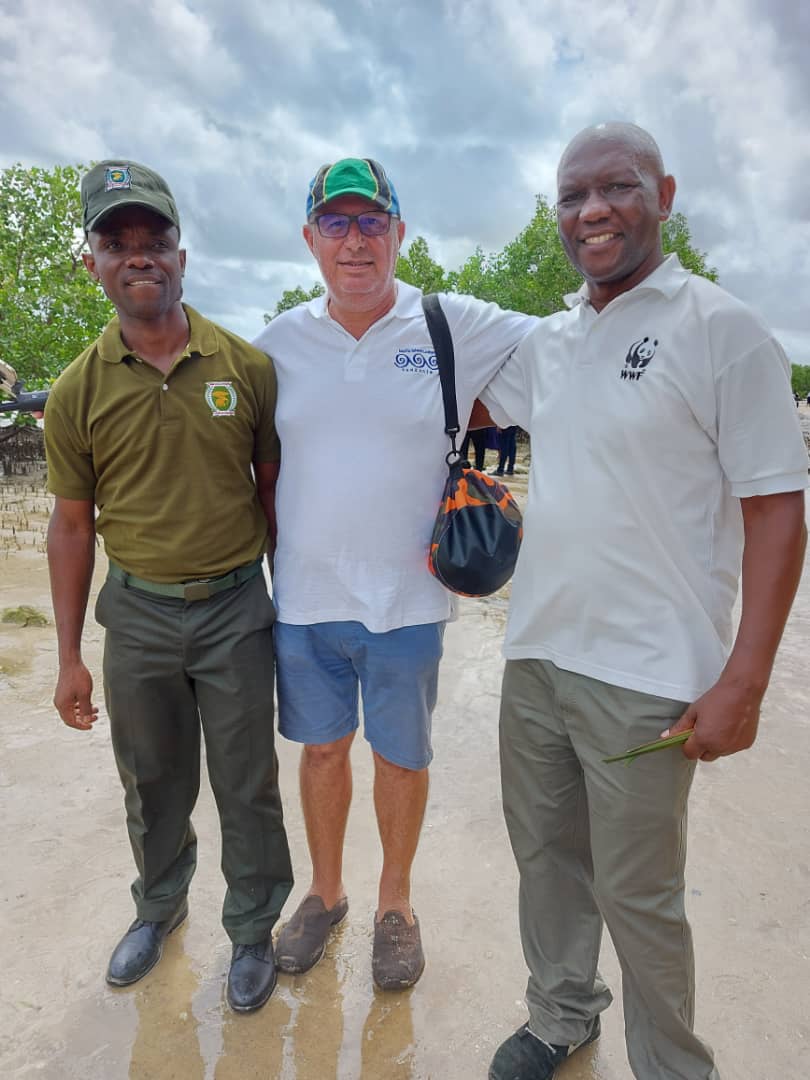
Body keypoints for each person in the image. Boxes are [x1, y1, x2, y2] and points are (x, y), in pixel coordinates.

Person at [479, 123, 808, 1079]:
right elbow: (458, 398)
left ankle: (673, 1065)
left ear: (662, 193)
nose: (592, 212)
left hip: (650, 675)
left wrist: (745, 677)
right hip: (536, 655)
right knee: (547, 862)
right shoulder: (552, 339)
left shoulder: (723, 329)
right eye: (572, 197)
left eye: (614, 188)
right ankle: (561, 1013)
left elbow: (778, 513)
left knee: (639, 893)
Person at [253, 158, 534, 990]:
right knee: (320, 753)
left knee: (402, 757)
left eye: (372, 222)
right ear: (309, 239)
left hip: (410, 602)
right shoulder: (274, 346)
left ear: (401, 234)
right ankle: (326, 893)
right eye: (335, 224)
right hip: (304, 600)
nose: (355, 241)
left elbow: (568, 344)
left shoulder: (453, 325)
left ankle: (395, 906)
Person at [44, 160, 293, 1013]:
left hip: (234, 609)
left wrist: (282, 608)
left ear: (182, 256)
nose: (139, 257)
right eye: (118, 243)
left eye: (155, 242)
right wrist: (69, 655)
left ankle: (253, 927)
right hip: (140, 614)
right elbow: (73, 525)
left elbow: (272, 497)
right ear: (93, 262)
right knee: (152, 779)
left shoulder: (247, 367)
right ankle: (159, 907)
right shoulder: (77, 390)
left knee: (246, 778)